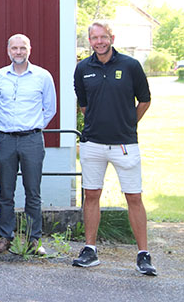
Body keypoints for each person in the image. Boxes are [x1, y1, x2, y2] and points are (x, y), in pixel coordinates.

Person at [72, 22, 156, 276]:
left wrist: (128, 122)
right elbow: (84, 106)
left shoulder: (130, 65)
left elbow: (145, 100)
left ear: (112, 38)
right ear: (89, 40)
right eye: (94, 38)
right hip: (93, 144)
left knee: (134, 197)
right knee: (92, 195)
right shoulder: (83, 68)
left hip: (125, 144)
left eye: (103, 37)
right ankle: (90, 250)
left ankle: (143, 254)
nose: (99, 42)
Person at [0, 34, 56, 256]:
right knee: (5, 192)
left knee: (33, 191)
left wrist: (33, 127)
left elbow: (50, 108)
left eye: (22, 48)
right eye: (14, 48)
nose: (18, 52)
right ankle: (5, 237)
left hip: (32, 140)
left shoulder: (42, 77)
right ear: (8, 51)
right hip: (6, 139)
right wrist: (9, 127)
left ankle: (33, 239)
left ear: (29, 49)